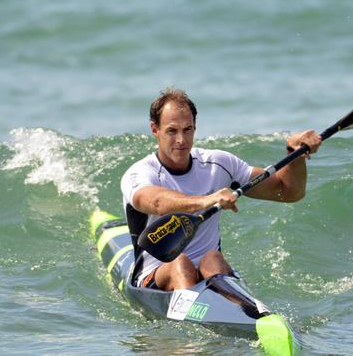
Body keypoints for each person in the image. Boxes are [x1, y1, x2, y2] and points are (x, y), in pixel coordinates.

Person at [120, 87, 322, 291]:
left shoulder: (219, 163)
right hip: (155, 276)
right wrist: (207, 200)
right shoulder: (140, 173)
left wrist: (295, 155)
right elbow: (155, 201)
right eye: (172, 131)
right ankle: (193, 312)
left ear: (195, 127)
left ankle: (241, 310)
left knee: (213, 258)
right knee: (179, 263)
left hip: (207, 270)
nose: (181, 140)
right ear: (155, 129)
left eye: (187, 129)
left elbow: (287, 192)